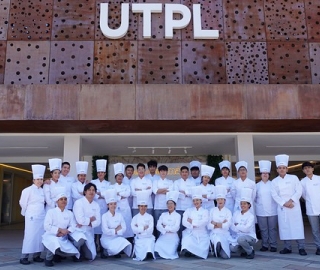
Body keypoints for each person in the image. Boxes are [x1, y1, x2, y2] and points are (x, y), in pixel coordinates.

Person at [271, 154, 307, 256]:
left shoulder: (294, 178)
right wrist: (284, 203)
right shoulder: (274, 181)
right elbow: (274, 195)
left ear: (287, 169)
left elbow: (298, 190)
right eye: (279, 168)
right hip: (283, 207)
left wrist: (291, 201)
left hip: (294, 206)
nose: (282, 170)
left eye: (283, 168)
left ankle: (301, 248)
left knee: (297, 226)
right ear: (277, 170)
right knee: (284, 227)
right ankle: (287, 247)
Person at [42, 193, 81, 267]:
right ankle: (48, 259)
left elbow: (73, 225)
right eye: (61, 199)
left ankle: (58, 255)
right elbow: (46, 226)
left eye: (65, 199)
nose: (63, 201)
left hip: (63, 236)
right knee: (54, 241)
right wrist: (59, 230)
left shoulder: (69, 213)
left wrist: (65, 232)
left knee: (73, 252)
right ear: (57, 201)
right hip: (51, 235)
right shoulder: (51, 212)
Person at [19, 164, 46, 265]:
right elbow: (22, 202)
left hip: (41, 216)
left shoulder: (42, 190)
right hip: (31, 216)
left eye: (41, 179)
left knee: (39, 236)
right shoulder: (27, 190)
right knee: (30, 236)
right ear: (33, 180)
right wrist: (27, 213)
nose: (39, 181)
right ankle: (24, 257)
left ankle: (36, 255)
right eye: (38, 179)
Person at [72, 183, 101, 261]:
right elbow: (80, 220)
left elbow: (98, 221)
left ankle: (83, 250)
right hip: (78, 230)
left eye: (93, 190)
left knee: (92, 256)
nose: (91, 192)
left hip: (89, 231)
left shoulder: (96, 205)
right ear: (85, 192)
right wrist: (90, 219)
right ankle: (75, 252)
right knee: (80, 240)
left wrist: (88, 222)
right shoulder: (79, 202)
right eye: (89, 190)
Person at [100, 189, 132, 259]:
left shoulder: (119, 215)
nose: (113, 206)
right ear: (108, 205)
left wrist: (114, 231)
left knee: (126, 243)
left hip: (117, 238)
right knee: (113, 248)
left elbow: (124, 228)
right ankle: (107, 252)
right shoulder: (104, 216)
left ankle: (115, 251)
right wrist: (116, 229)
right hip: (107, 239)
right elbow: (105, 231)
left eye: (114, 204)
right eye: (111, 204)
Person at [255, 160, 278, 252]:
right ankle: (264, 244)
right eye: (263, 173)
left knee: (272, 228)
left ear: (269, 175)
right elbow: (254, 198)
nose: (265, 175)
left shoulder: (273, 184)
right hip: (261, 210)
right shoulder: (256, 186)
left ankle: (273, 245)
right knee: (263, 229)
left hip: (273, 210)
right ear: (260, 175)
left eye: (266, 173)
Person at [181, 186, 209, 259]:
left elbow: (204, 222)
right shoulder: (188, 210)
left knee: (202, 248)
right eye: (194, 201)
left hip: (202, 234)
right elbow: (184, 221)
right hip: (191, 232)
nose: (195, 202)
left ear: (201, 201)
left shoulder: (205, 211)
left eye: (197, 200)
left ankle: (192, 251)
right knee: (187, 241)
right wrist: (193, 225)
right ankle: (190, 251)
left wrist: (192, 222)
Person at [229, 188, 257, 259]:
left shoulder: (251, 216)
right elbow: (232, 226)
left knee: (241, 239)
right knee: (232, 248)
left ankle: (250, 252)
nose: (242, 205)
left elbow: (246, 229)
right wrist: (241, 227)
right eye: (241, 204)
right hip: (238, 236)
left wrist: (237, 225)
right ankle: (244, 250)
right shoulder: (236, 213)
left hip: (250, 237)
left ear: (249, 205)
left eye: (245, 204)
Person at [109, 163, 134, 239]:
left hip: (125, 209)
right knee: (117, 225)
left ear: (123, 177)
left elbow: (128, 194)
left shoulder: (126, 186)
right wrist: (121, 196)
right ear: (115, 177)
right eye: (118, 176)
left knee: (126, 224)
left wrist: (117, 194)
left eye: (121, 176)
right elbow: (111, 196)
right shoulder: (111, 186)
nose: (119, 177)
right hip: (115, 209)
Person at [207, 185, 232, 259]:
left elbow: (228, 225)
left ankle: (219, 250)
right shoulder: (212, 210)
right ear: (216, 201)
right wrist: (221, 223)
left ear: (225, 200)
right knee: (217, 240)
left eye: (222, 199)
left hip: (225, 234)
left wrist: (215, 223)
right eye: (218, 199)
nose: (220, 201)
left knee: (225, 256)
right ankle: (216, 249)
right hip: (215, 233)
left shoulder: (228, 211)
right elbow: (208, 225)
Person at [300, 161, 320, 255]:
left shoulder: (319, 179)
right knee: (315, 230)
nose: (307, 169)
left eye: (309, 167)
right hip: (311, 208)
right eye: (305, 168)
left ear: (313, 168)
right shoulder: (302, 182)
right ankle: (318, 247)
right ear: (303, 171)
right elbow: (303, 195)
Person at [154, 191, 181, 260]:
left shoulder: (178, 215)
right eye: (168, 204)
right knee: (157, 246)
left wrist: (165, 227)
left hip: (173, 237)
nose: (170, 205)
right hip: (163, 236)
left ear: (175, 205)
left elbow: (176, 228)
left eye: (171, 203)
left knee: (170, 252)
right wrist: (169, 228)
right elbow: (158, 226)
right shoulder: (163, 215)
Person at [91, 159, 110, 251]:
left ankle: (103, 248)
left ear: (105, 173)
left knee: (103, 228)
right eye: (99, 172)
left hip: (104, 209)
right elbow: (91, 194)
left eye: (102, 172)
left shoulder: (108, 184)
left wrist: (99, 194)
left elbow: (108, 195)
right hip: (94, 208)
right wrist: (102, 195)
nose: (100, 174)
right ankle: (94, 247)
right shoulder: (93, 182)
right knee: (95, 227)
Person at [131, 190, 156, 261]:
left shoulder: (150, 217)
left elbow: (150, 230)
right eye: (141, 206)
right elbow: (133, 230)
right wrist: (143, 228)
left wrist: (139, 228)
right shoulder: (135, 217)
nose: (143, 208)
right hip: (139, 238)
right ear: (138, 207)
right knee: (141, 251)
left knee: (149, 242)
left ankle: (149, 253)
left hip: (148, 237)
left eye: (145, 206)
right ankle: (144, 255)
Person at [173, 166, 195, 237]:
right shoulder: (176, 182)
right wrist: (187, 193)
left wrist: (184, 192)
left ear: (188, 173)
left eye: (186, 172)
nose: (184, 173)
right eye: (183, 172)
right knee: (179, 227)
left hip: (189, 208)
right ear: (180, 173)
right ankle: (179, 244)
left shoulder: (192, 182)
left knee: (188, 226)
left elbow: (194, 194)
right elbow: (176, 194)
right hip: (179, 208)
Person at [152, 165, 174, 231]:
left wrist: (160, 190)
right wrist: (165, 189)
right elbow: (155, 191)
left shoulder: (170, 182)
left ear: (167, 172)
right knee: (158, 225)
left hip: (166, 207)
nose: (163, 172)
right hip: (157, 207)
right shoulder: (155, 181)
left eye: (164, 171)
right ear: (159, 172)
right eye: (161, 171)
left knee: (166, 224)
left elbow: (170, 192)